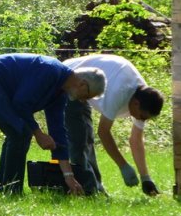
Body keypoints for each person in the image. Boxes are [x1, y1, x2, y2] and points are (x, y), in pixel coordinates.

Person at [0, 53, 106, 195]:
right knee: (21, 133)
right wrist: (38, 133)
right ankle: (11, 190)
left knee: (18, 133)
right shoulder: (50, 71)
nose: (83, 101)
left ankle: (4, 187)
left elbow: (58, 132)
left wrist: (69, 176)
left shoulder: (60, 93)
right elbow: (21, 104)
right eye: (87, 96)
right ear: (82, 84)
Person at [63, 54, 164, 196]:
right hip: (71, 80)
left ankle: (95, 188)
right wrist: (123, 166)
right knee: (79, 140)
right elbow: (103, 132)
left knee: (87, 140)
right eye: (142, 117)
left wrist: (145, 177)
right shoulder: (120, 91)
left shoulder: (144, 96)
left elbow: (136, 140)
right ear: (136, 104)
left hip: (88, 85)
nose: (142, 120)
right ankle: (88, 191)